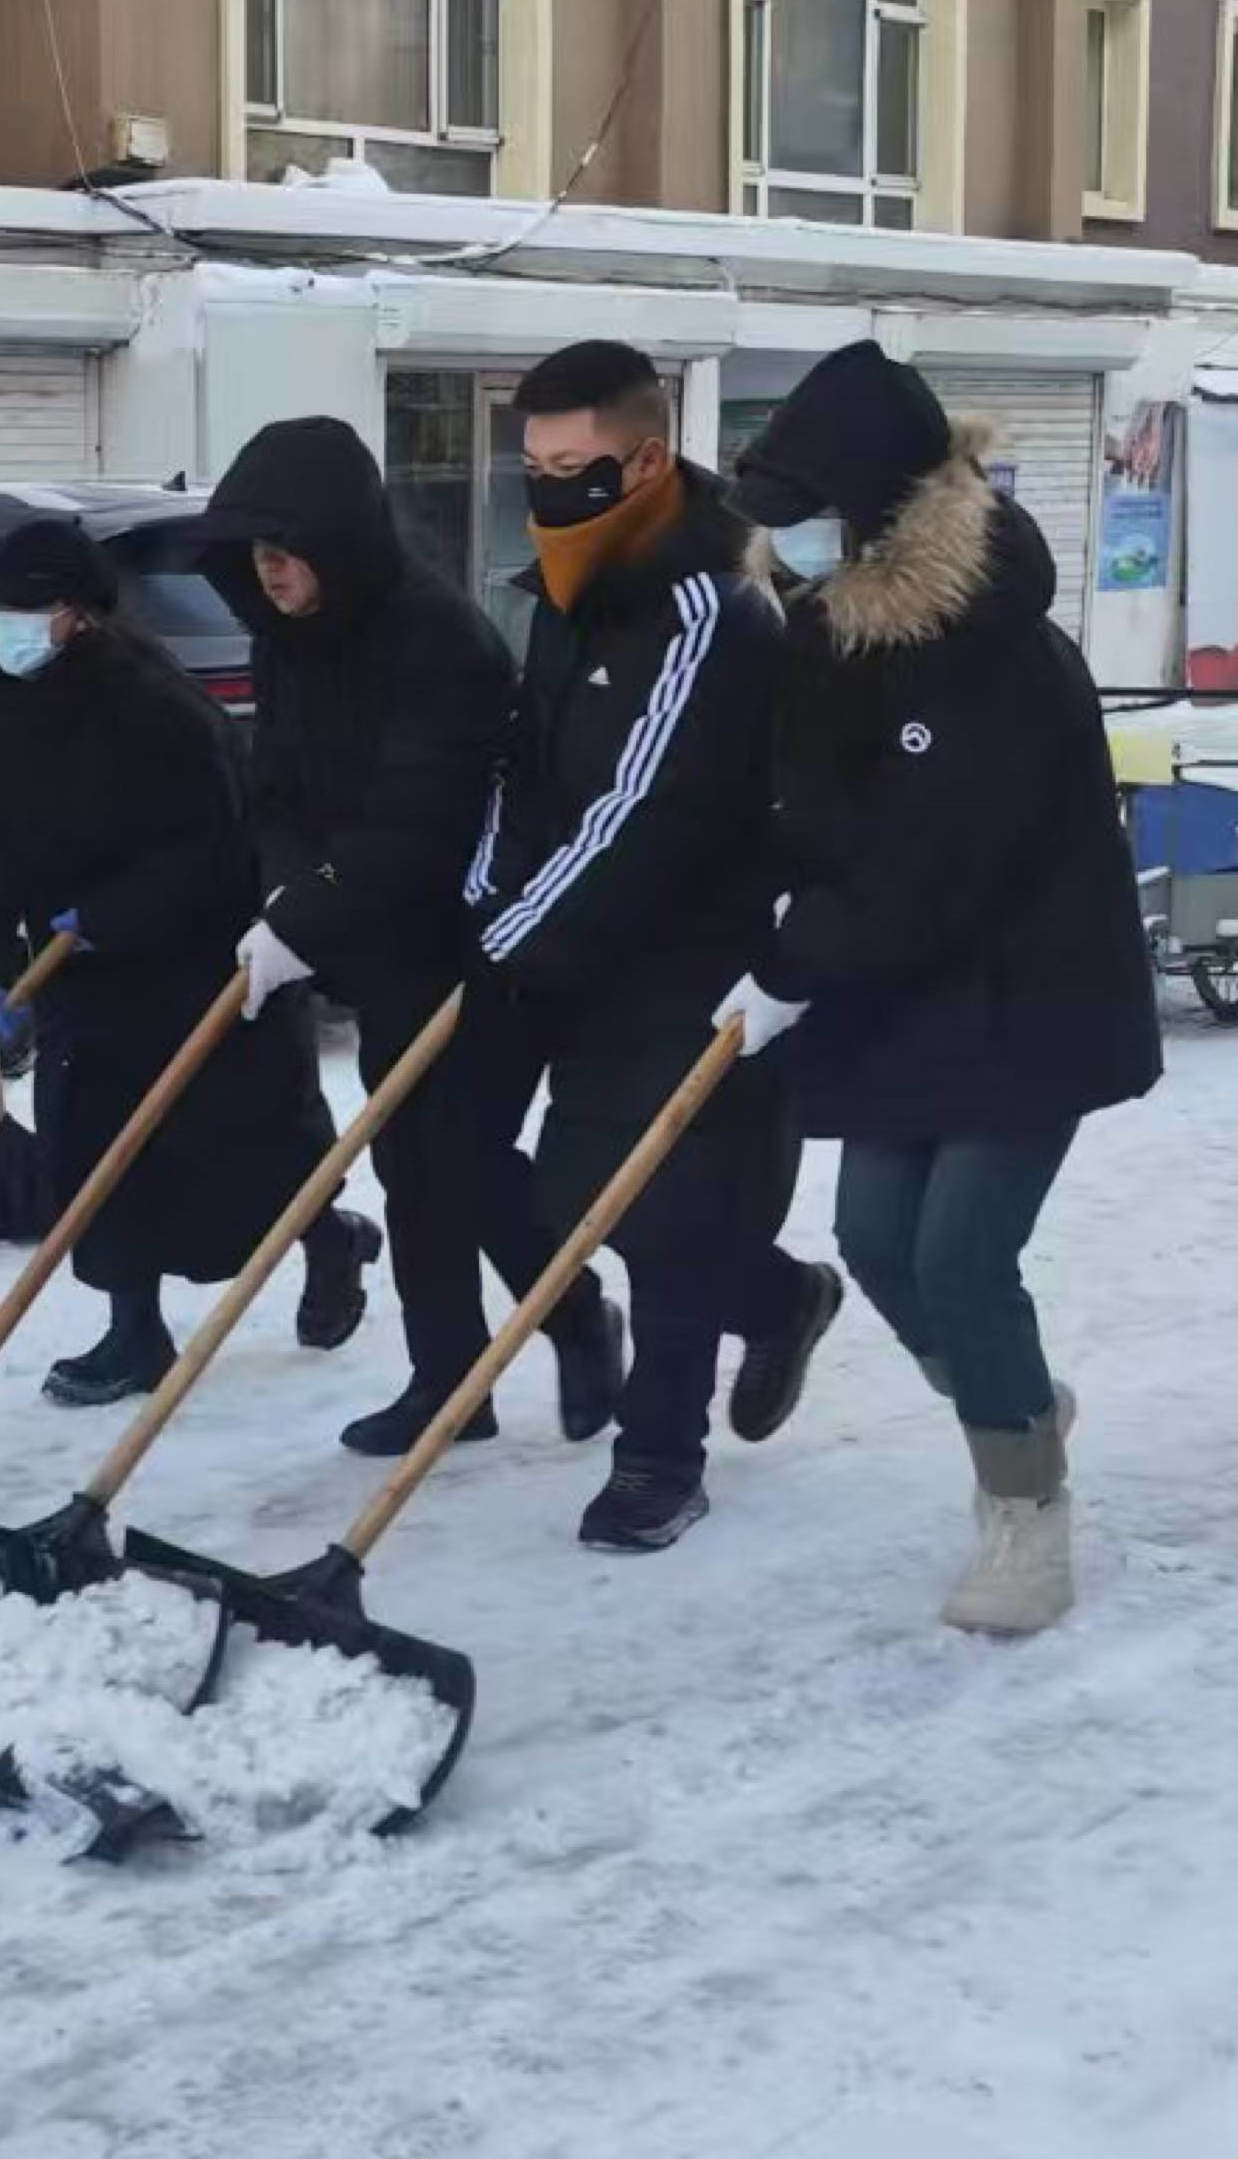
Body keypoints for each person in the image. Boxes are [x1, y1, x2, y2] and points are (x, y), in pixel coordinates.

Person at [720, 341, 1162, 1633]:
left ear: (875, 510)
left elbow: (937, 858)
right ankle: (1007, 1392)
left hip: (1029, 995)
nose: (787, 544)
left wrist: (797, 960)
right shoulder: (824, 635)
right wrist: (754, 920)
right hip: (898, 989)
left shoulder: (993, 648)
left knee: (961, 1251)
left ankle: (1024, 1509)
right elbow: (801, 813)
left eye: (806, 515)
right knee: (872, 1241)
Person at [470, 341, 841, 1554]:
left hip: (705, 944)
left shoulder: (705, 598)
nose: (547, 488)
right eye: (530, 464)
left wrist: (518, 933)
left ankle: (657, 1457)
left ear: (640, 457)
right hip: (593, 945)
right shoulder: (568, 589)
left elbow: (646, 804)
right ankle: (780, 1295)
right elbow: (526, 771)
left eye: (573, 466)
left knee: (669, 1201)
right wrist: (488, 898)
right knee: (578, 1191)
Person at [201, 416, 626, 1460]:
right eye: (254, 552)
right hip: (376, 938)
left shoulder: (436, 642)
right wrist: (294, 893)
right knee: (407, 1166)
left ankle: (573, 1314)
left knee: (464, 1162)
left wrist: (311, 908)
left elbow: (421, 820)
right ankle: (449, 1382)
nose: (269, 569)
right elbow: (277, 795)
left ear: (338, 541)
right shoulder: (284, 637)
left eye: (285, 548)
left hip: (476, 937)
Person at [0, 519, 371, 1404]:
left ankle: (326, 1236)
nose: (6, 628)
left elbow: (214, 847)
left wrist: (108, 915)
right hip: (84, 975)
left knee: (243, 1145)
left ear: (78, 616)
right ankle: (134, 1333)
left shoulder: (155, 706)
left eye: (27, 610)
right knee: (94, 1146)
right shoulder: (2, 702)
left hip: (194, 961)